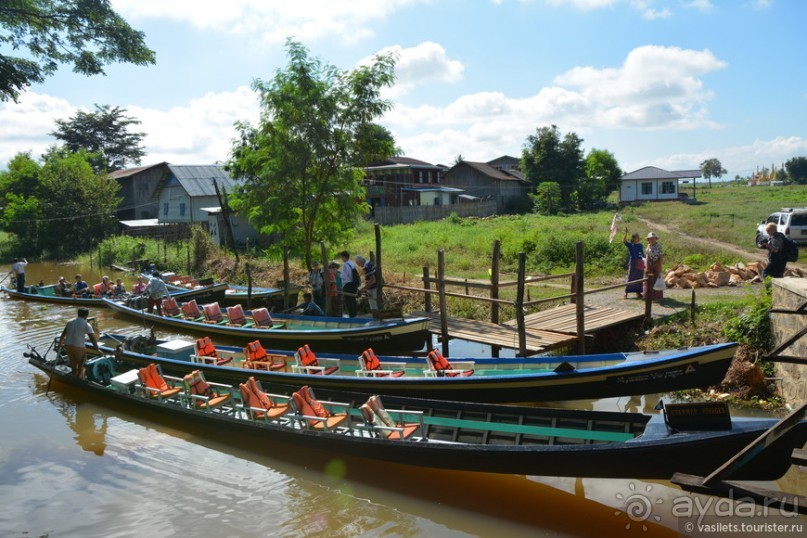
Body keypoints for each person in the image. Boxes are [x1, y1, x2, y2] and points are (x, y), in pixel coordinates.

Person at [58, 307, 101, 379]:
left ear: (78, 314)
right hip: (78, 347)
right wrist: (97, 349)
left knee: (73, 362)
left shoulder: (70, 322)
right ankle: (80, 379)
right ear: (87, 315)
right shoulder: (86, 324)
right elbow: (92, 338)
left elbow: (63, 334)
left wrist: (60, 344)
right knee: (82, 364)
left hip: (68, 345)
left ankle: (74, 375)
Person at [622, 229, 644, 299]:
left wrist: (644, 261)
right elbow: (624, 241)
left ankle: (638, 292)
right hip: (633, 262)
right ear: (633, 238)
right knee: (630, 277)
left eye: (638, 237)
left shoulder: (641, 245)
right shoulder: (631, 245)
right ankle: (626, 293)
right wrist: (625, 233)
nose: (638, 238)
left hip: (640, 262)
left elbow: (642, 254)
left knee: (639, 277)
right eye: (636, 237)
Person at [644, 232, 664, 302]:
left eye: (653, 238)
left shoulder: (659, 246)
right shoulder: (648, 246)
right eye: (650, 239)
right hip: (650, 264)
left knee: (656, 280)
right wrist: (646, 266)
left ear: (655, 239)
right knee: (648, 280)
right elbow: (647, 256)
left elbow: (660, 256)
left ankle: (656, 297)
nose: (652, 240)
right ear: (648, 240)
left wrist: (660, 266)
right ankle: (648, 296)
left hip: (656, 264)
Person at [339, 251, 359, 317]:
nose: (341, 258)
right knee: (353, 300)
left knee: (348, 301)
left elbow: (344, 276)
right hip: (353, 284)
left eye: (341, 257)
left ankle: (352, 316)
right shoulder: (352, 263)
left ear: (344, 257)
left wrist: (340, 275)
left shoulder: (345, 264)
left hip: (347, 284)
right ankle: (355, 314)